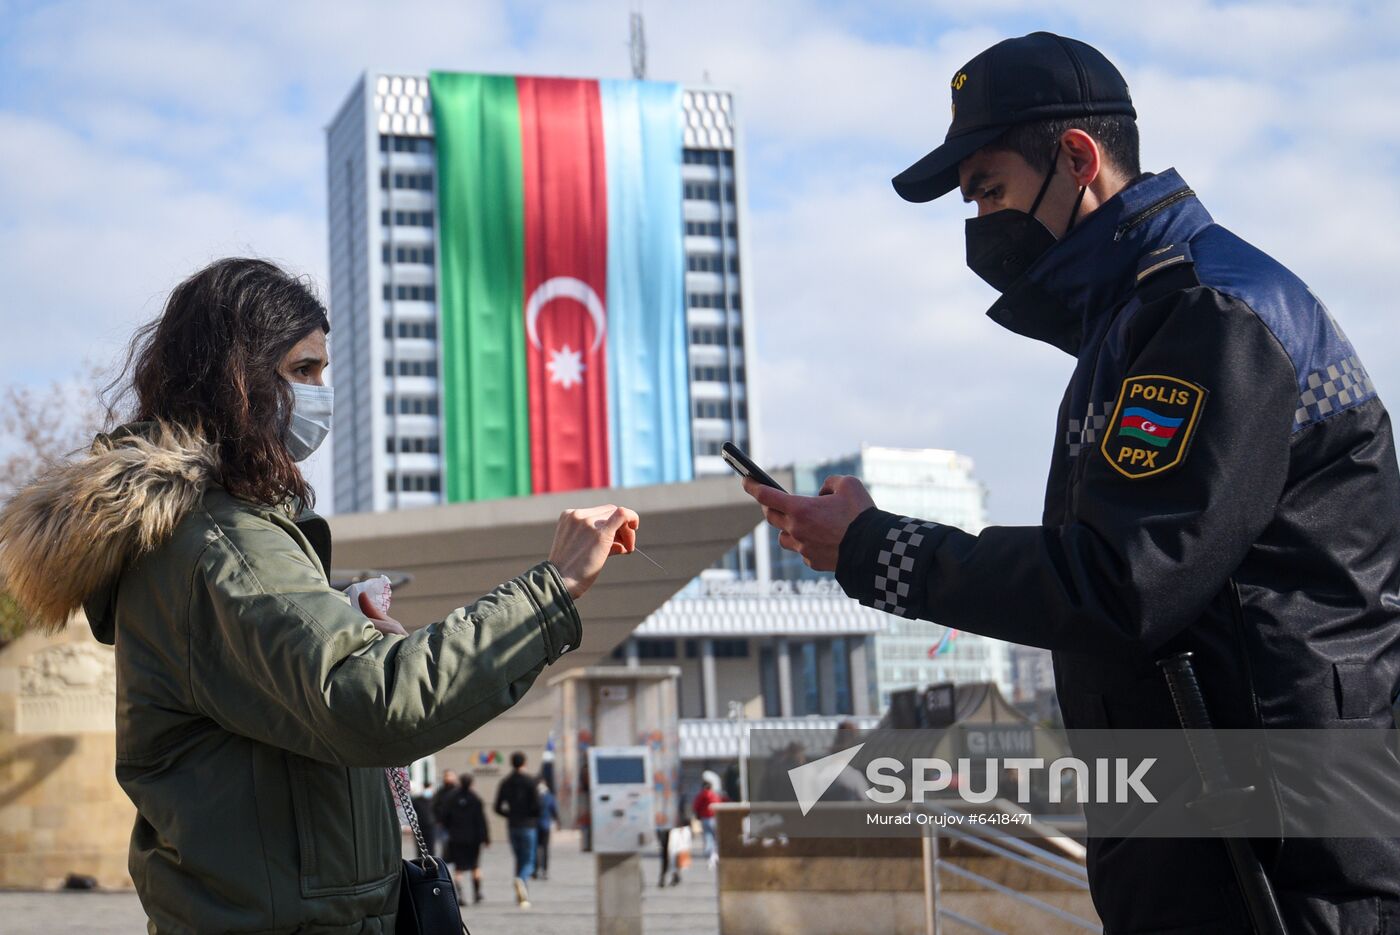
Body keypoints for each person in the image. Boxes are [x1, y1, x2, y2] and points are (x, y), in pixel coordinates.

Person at [742, 31, 1400, 935]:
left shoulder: (1205, 314)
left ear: (1078, 158)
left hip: (1278, 859)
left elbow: (1124, 582)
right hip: (1207, 832)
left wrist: (873, 547)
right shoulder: (1137, 325)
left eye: (989, 190)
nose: (978, 225)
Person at [0, 258, 642, 933]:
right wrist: (554, 587)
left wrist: (351, 629)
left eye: (322, 373)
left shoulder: (218, 536)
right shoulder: (225, 545)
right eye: (303, 371)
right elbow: (372, 699)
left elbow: (310, 698)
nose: (319, 393)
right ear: (236, 380)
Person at [493, 750, 541, 908]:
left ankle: (522, 896)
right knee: (529, 861)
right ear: (525, 763)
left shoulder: (506, 782)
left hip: (513, 825)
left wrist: (510, 815)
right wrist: (533, 816)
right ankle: (521, 880)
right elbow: (537, 805)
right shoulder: (530, 781)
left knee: (519, 859)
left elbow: (497, 807)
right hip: (528, 825)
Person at [435, 773, 490, 905]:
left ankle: (460, 895)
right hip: (473, 839)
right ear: (471, 783)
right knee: (475, 865)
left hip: (456, 837)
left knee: (459, 867)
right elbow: (481, 820)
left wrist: (450, 829)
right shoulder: (475, 799)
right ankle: (477, 893)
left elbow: (444, 818)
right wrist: (486, 837)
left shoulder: (451, 799)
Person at [692, 771, 725, 869]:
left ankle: (709, 855)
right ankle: (714, 855)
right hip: (714, 818)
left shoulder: (701, 795)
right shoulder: (715, 795)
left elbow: (696, 806)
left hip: (705, 818)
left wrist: (697, 814)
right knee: (716, 838)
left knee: (708, 837)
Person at [532, 779, 559, 881]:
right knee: (545, 849)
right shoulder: (549, 797)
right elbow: (554, 810)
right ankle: (545, 871)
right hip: (545, 826)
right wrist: (557, 821)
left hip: (535, 826)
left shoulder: (533, 796)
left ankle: (535, 870)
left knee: (535, 849)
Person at [410, 779, 437, 858]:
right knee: (420, 847)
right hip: (420, 826)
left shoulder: (435, 799)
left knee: (430, 847)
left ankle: (431, 861)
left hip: (431, 825)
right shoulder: (417, 800)